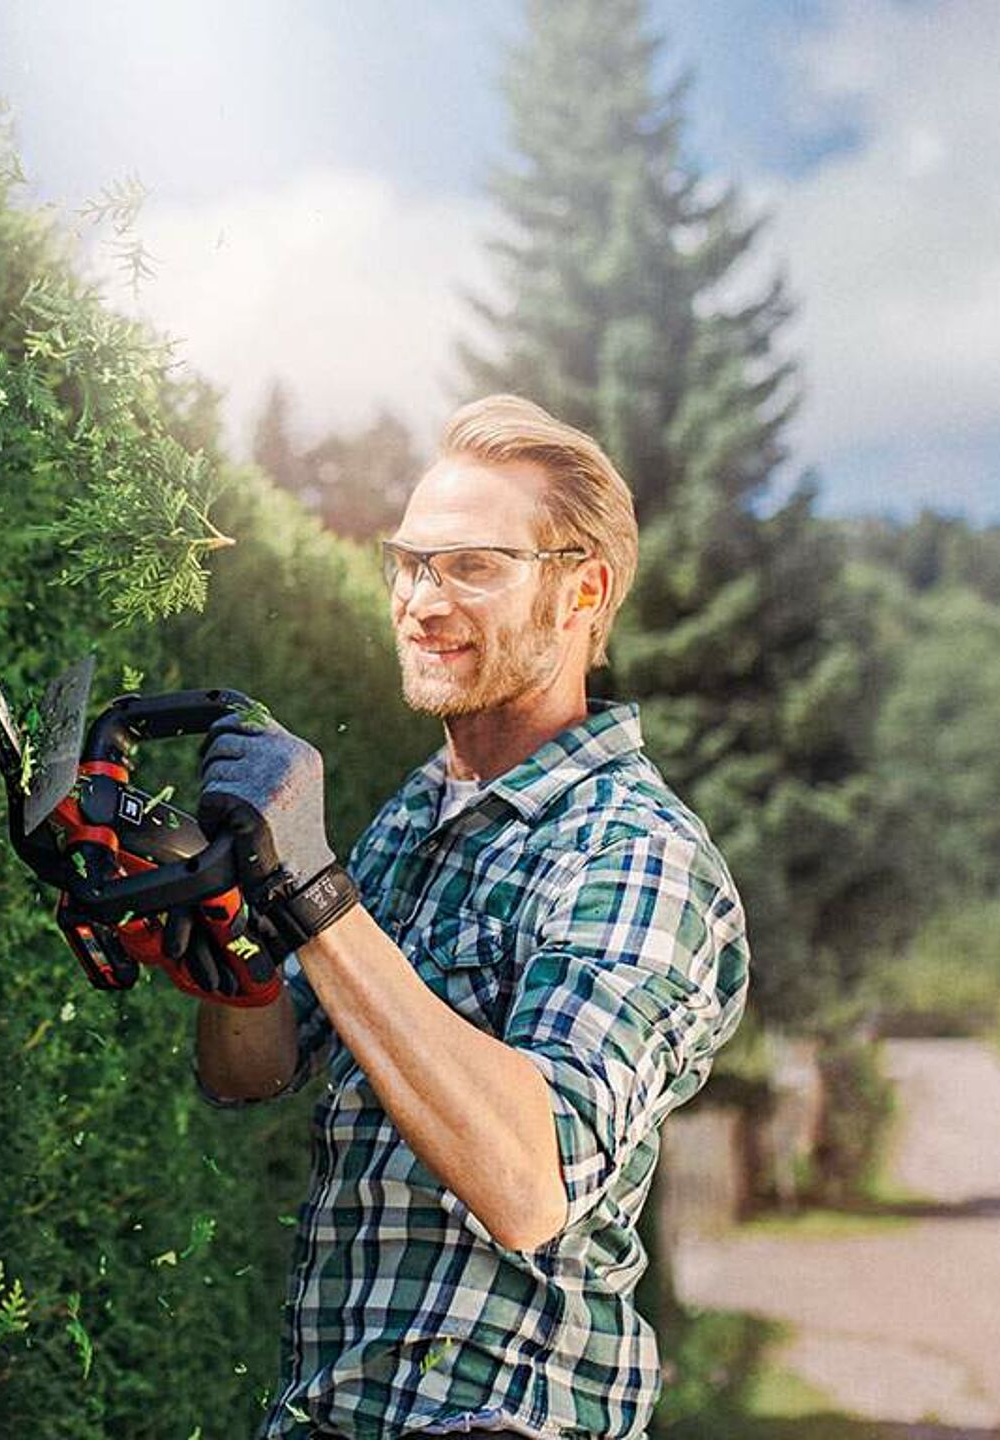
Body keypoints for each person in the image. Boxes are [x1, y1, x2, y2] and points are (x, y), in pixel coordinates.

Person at [194, 395, 749, 1440]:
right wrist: (221, 925)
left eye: (472, 567)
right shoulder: (418, 815)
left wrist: (311, 888)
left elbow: (531, 1182)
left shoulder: (634, 853)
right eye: (410, 564)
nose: (421, 601)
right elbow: (255, 1068)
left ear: (582, 590)